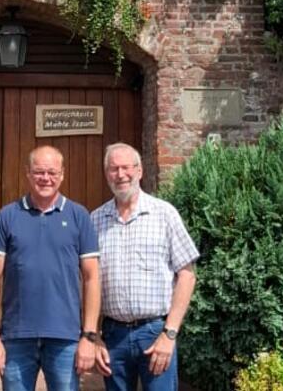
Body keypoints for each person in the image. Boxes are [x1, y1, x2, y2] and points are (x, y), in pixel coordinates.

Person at [0, 145, 102, 391]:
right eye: (39, 172)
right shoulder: (7, 216)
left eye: (52, 172)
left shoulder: (80, 216)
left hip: (65, 337)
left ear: (62, 174)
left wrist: (89, 336)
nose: (45, 178)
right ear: (28, 173)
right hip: (16, 336)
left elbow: (92, 278)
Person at [90, 143, 198, 391]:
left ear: (139, 171)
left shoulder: (164, 214)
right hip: (113, 336)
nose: (120, 174)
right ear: (106, 174)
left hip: (154, 333)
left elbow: (187, 275)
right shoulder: (94, 220)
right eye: (113, 169)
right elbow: (87, 281)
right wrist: (93, 336)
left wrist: (169, 334)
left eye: (126, 167)